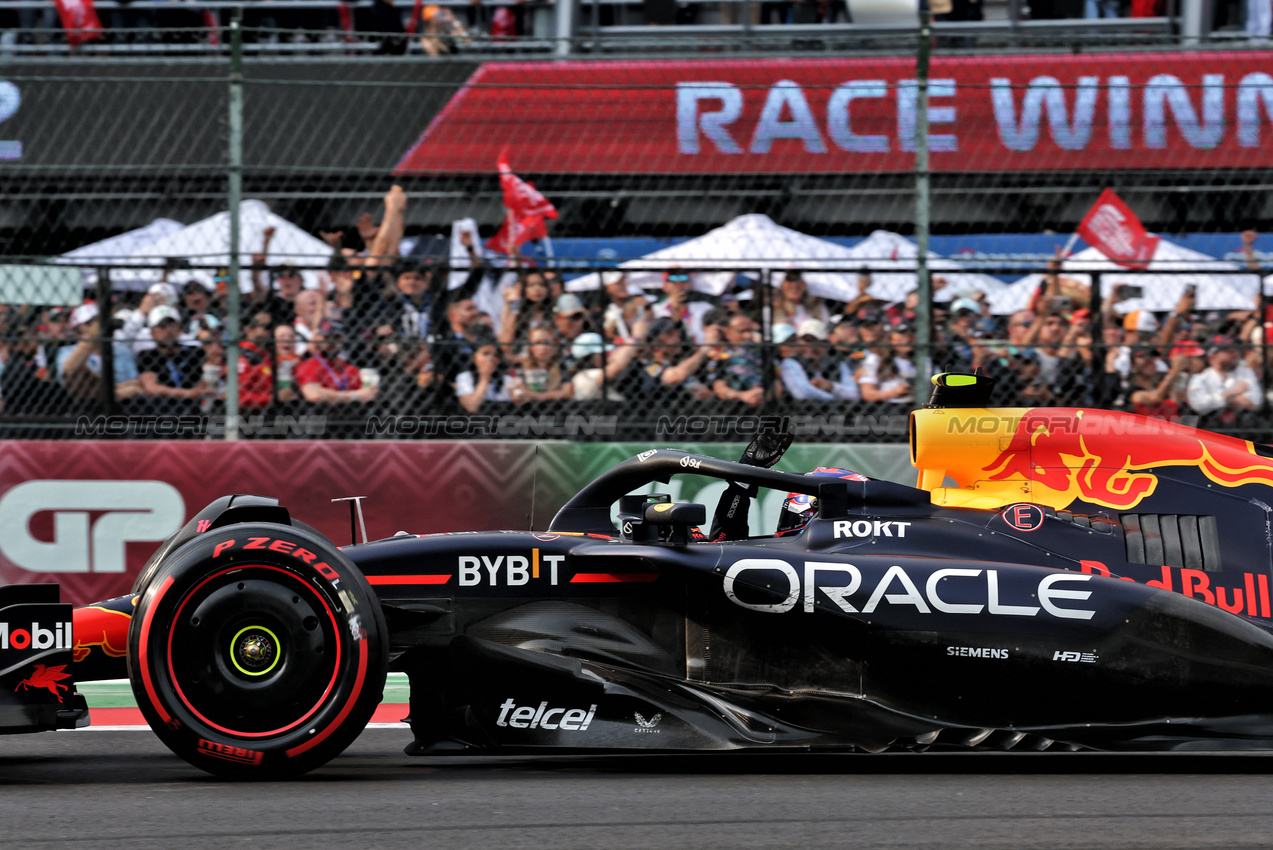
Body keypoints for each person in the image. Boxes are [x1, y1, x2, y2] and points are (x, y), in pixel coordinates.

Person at [57, 303, 142, 404]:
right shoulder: (67, 351)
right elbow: (69, 375)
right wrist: (92, 335)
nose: (99, 327)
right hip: (83, 407)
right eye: (90, 323)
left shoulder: (122, 351)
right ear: (77, 330)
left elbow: (135, 387)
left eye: (99, 322)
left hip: (122, 408)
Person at [136, 305, 212, 416]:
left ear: (180, 328)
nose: (168, 330)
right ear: (152, 333)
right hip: (163, 412)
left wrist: (202, 386)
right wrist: (190, 393)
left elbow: (209, 376)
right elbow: (151, 387)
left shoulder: (195, 351)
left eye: (172, 325)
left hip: (196, 410)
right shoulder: (148, 355)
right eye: (162, 326)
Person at [295, 321, 378, 406]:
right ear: (318, 339)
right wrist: (354, 395)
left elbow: (365, 394)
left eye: (336, 338)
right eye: (326, 338)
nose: (331, 342)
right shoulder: (308, 365)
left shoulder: (350, 369)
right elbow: (313, 394)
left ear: (342, 340)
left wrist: (369, 392)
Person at [1187, 338, 1261, 422]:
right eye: (1229, 351)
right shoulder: (1200, 378)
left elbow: (1255, 402)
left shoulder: (1246, 373)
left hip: (1243, 426)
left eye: (1236, 351)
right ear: (1212, 357)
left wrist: (1220, 399)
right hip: (1211, 427)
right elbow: (1199, 405)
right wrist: (1234, 392)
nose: (1235, 354)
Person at [711, 313, 766, 408]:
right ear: (728, 334)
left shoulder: (762, 352)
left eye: (750, 330)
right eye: (742, 331)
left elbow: (777, 383)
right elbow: (719, 388)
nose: (747, 336)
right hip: (735, 412)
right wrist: (743, 396)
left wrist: (764, 395)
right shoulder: (722, 357)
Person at [455, 335, 519, 413]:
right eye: (485, 354)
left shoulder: (507, 379)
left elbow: (519, 397)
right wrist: (485, 378)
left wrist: (519, 394)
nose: (490, 358)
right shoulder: (465, 378)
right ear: (474, 356)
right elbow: (472, 407)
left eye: (495, 355)